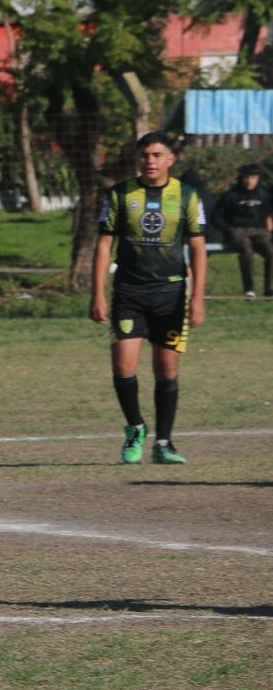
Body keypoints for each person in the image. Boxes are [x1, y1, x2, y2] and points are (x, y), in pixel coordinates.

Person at [90, 131, 207, 465]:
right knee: (123, 366)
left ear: (170, 159)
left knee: (166, 371)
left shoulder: (186, 196)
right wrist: (97, 292)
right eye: (144, 155)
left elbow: (198, 248)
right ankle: (135, 427)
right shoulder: (120, 194)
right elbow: (103, 245)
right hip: (129, 290)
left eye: (157, 155)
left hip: (171, 292)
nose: (150, 161)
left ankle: (165, 443)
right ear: (136, 159)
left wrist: (197, 297)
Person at [211, 163, 273, 301]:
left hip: (259, 231)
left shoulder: (264, 195)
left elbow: (268, 213)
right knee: (246, 250)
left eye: (253, 177)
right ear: (241, 178)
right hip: (237, 231)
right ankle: (249, 290)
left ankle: (269, 290)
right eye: (246, 177)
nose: (249, 181)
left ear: (258, 178)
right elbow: (215, 217)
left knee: (270, 252)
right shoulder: (231, 195)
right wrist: (228, 230)